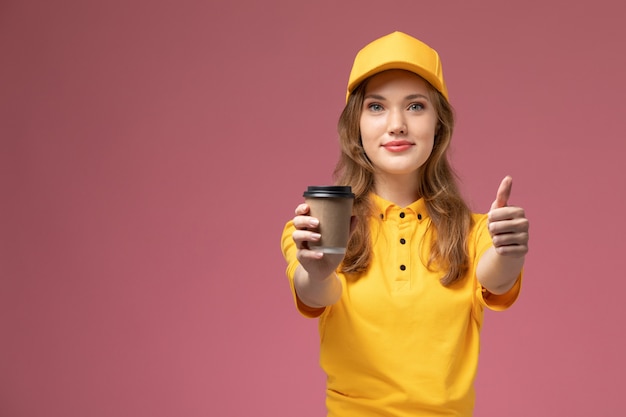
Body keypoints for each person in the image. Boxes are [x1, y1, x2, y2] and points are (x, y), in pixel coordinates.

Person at [280, 31, 529, 416]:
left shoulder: (474, 231)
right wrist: (318, 269)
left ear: (439, 125)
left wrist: (508, 251)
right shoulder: (317, 223)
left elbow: (494, 277)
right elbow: (317, 293)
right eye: (377, 107)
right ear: (355, 126)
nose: (396, 124)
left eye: (415, 107)